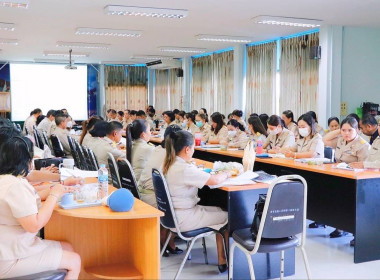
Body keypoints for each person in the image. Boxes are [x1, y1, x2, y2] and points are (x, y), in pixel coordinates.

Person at [0, 136, 81, 279]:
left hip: (11, 247)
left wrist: (58, 187)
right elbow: (34, 225)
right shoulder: (15, 186)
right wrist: (54, 195)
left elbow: (32, 195)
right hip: (9, 259)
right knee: (75, 260)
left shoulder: (7, 180)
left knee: (67, 246)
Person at [163, 130, 231, 273]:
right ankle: (225, 260)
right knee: (228, 216)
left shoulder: (170, 163)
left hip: (173, 217)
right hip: (185, 218)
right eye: (193, 147)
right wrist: (227, 173)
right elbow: (214, 180)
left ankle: (222, 258)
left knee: (219, 210)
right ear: (187, 149)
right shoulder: (184, 169)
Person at [138, 125, 183, 256]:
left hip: (145, 193)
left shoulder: (158, 149)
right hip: (154, 197)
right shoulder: (170, 154)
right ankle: (167, 241)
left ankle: (167, 242)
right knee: (181, 205)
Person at [323, 116, 370, 239]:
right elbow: (325, 139)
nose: (346, 133)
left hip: (356, 182)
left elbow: (365, 168)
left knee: (352, 206)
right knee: (338, 202)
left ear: (357, 130)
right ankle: (340, 227)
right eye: (343, 130)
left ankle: (356, 234)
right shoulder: (341, 140)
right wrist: (340, 131)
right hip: (340, 177)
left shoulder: (363, 145)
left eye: (350, 130)